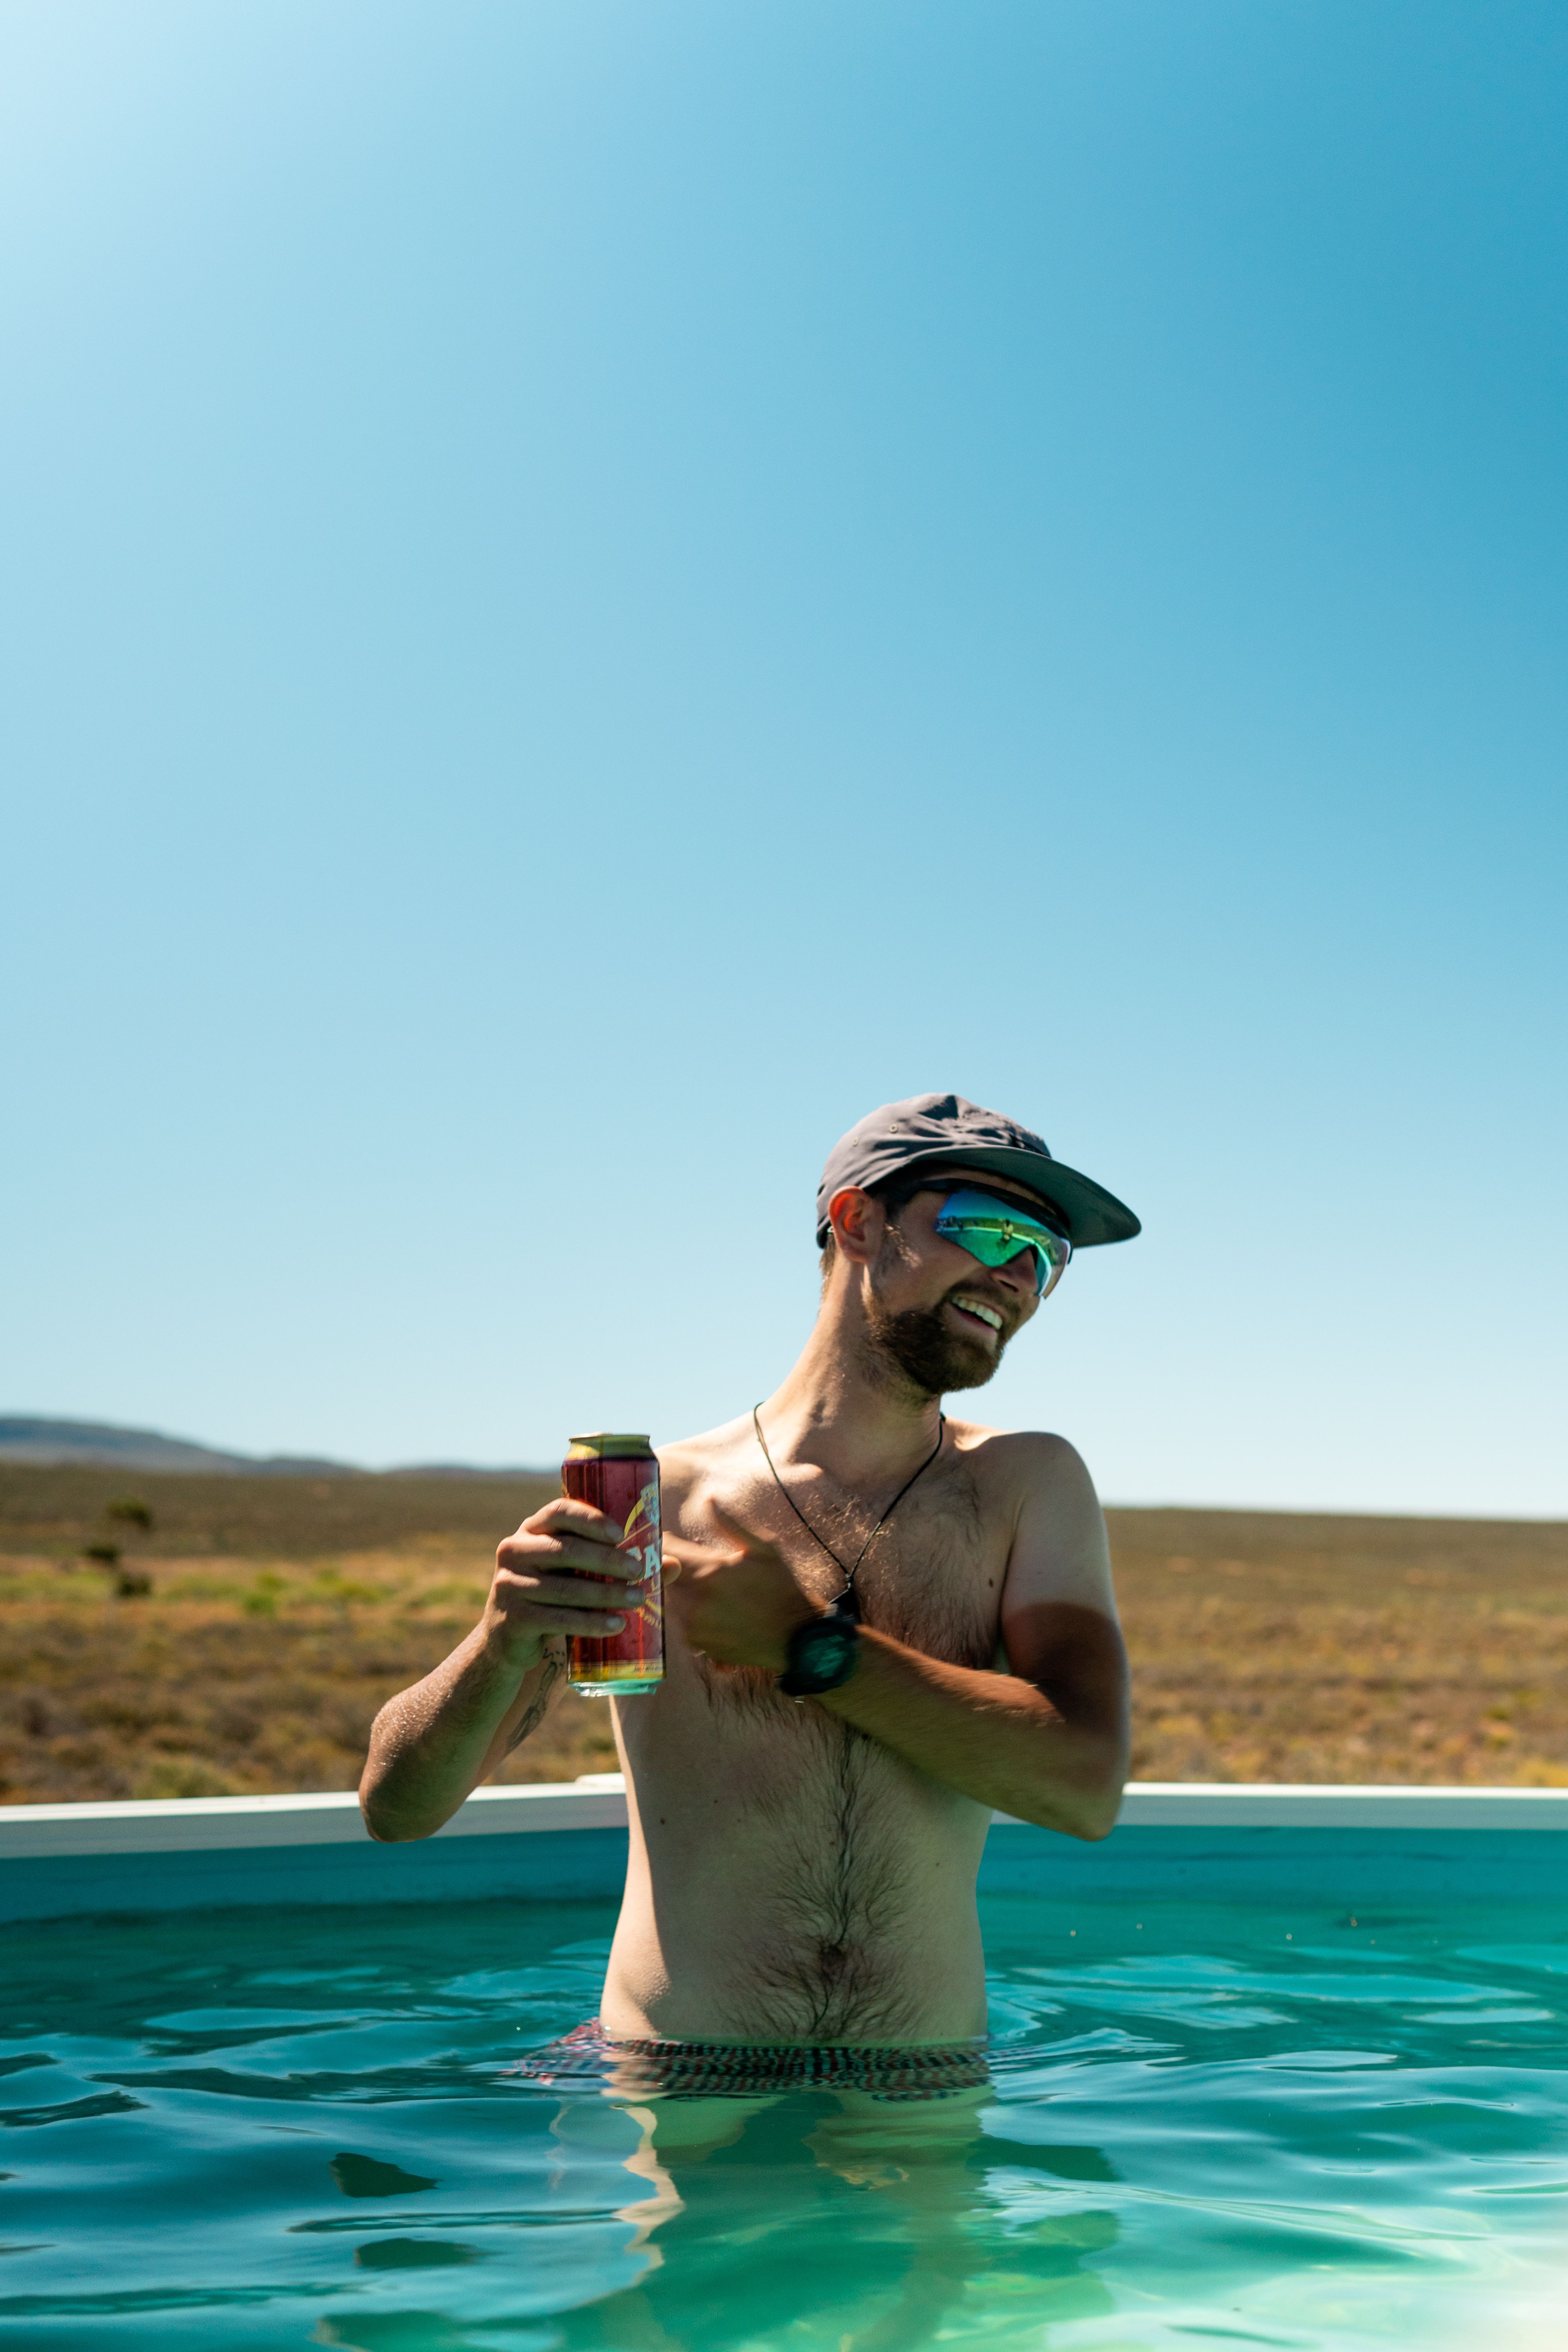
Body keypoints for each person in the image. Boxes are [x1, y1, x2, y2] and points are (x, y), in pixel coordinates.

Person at [360, 1092, 1140, 2065]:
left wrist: (808, 1648)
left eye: (1046, 1254)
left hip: (920, 2083)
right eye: (986, 1226)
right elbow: (396, 1811)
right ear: (857, 1221)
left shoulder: (1025, 1485)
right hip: (681, 2081)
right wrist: (500, 1641)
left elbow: (1084, 1789)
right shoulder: (655, 1505)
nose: (1019, 1274)